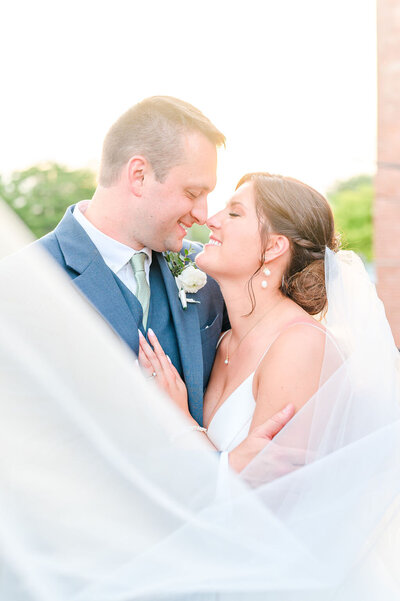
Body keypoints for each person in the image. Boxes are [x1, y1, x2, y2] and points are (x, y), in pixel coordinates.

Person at [35, 97, 293, 469]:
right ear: (138, 175)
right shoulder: (26, 281)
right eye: (192, 193)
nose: (204, 215)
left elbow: (274, 339)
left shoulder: (208, 272)